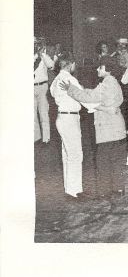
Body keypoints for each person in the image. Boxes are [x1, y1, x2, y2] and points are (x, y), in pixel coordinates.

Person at [61, 57, 126, 198]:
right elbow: (99, 95)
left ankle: (104, 192)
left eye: (100, 67)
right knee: (115, 160)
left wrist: (70, 89)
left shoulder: (106, 84)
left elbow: (88, 98)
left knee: (102, 161)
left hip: (108, 129)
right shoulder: (113, 82)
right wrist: (103, 105)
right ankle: (118, 188)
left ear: (107, 69)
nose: (97, 69)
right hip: (117, 129)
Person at [50, 53, 89, 198]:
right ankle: (75, 190)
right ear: (70, 64)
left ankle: (69, 188)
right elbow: (83, 96)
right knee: (75, 155)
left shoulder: (56, 79)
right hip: (70, 118)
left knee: (66, 154)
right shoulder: (70, 79)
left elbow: (54, 94)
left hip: (61, 117)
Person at [34, 38, 55, 144]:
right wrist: (37, 56)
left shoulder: (43, 56)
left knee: (43, 113)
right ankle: (36, 138)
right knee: (32, 114)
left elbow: (51, 65)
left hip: (42, 87)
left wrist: (43, 55)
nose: (35, 46)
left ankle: (46, 138)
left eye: (36, 44)